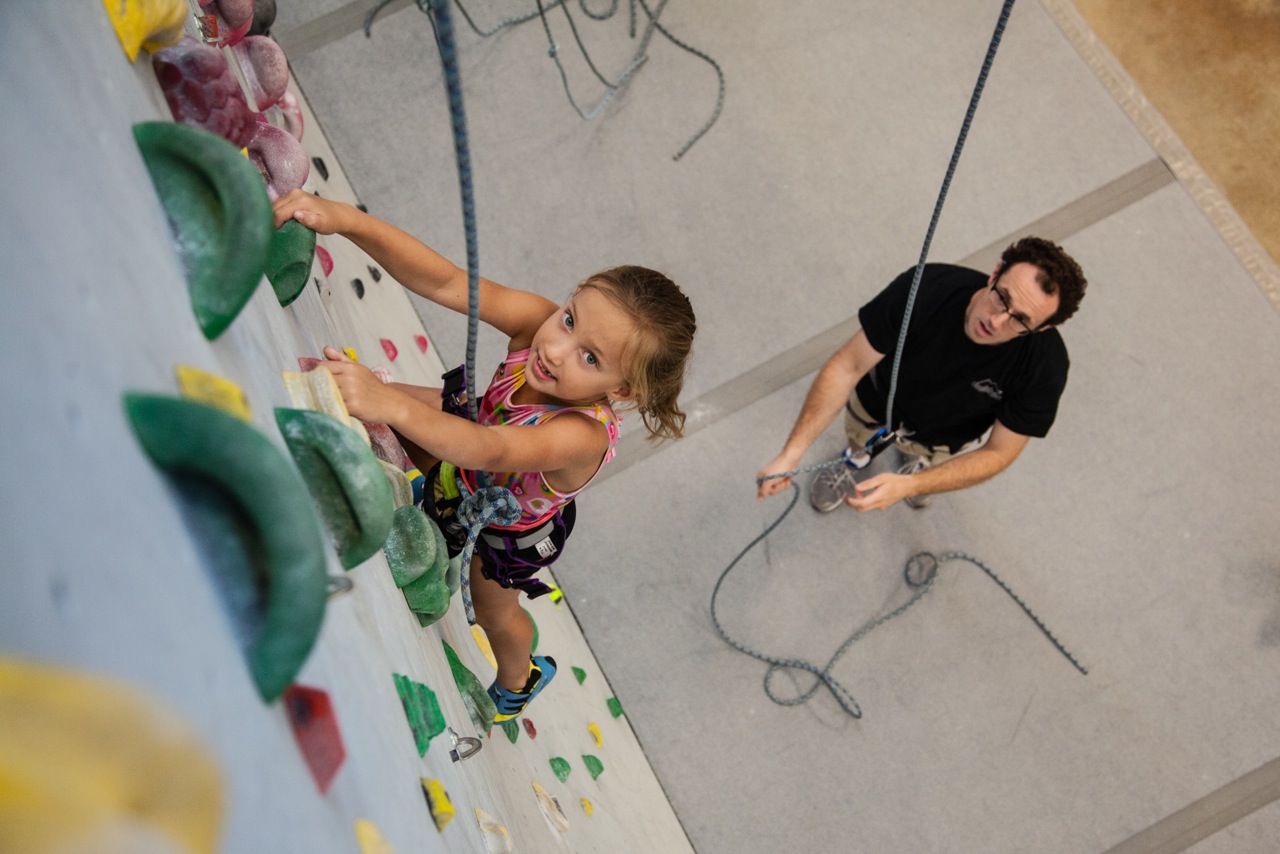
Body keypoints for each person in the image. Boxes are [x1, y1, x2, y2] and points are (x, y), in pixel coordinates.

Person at [272, 190, 697, 720]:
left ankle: (520, 678)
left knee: (494, 613)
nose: (555, 351)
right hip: (472, 445)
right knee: (390, 407)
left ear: (624, 391)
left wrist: (387, 404)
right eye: (570, 319)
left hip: (504, 520)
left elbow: (494, 449)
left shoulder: (581, 433)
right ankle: (425, 470)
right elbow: (447, 281)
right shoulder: (536, 324)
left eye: (590, 357)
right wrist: (347, 221)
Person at [756, 237, 1086, 512]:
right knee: (859, 437)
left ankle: (916, 469)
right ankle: (855, 459)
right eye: (1002, 298)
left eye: (1021, 320)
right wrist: (791, 453)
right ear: (996, 272)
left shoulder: (1045, 367)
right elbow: (849, 366)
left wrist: (913, 484)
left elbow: (1000, 451)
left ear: (1044, 327)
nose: (997, 321)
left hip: (944, 435)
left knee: (928, 461)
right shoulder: (926, 289)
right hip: (878, 400)